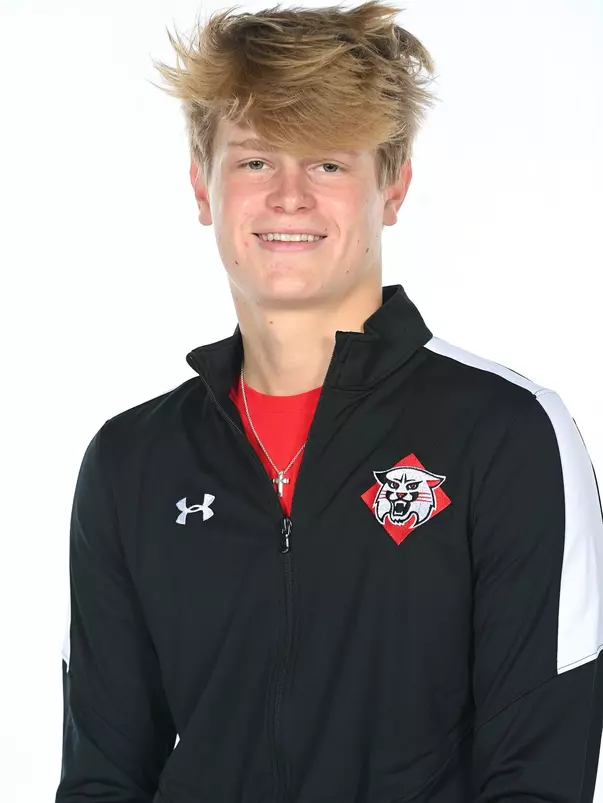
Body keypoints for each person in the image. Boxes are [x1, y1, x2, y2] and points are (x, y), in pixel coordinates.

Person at [55, 2, 603, 801]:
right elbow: (102, 773)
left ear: (393, 185)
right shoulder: (131, 460)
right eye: (252, 161)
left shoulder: (506, 434)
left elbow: (538, 772)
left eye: (327, 164)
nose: (287, 195)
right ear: (202, 189)